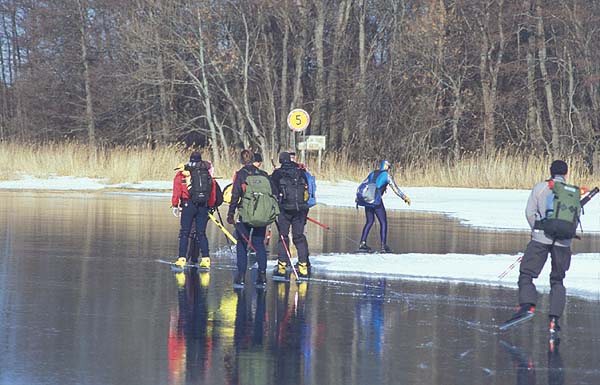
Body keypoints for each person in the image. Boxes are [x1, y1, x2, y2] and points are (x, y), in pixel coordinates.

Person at [504, 160, 583, 333]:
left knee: (526, 274)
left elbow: (529, 212)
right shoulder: (572, 193)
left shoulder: (540, 187)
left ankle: (527, 306)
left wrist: (537, 230)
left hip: (540, 239)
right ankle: (554, 320)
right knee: (558, 280)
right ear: (566, 173)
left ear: (550, 171)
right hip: (563, 242)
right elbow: (575, 219)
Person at [227, 149, 275, 287]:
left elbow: (235, 195)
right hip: (262, 215)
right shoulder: (264, 175)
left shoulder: (240, 175)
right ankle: (262, 276)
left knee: (242, 244)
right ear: (254, 159)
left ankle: (241, 276)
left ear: (241, 160)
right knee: (259, 244)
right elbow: (273, 193)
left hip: (246, 215)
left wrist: (230, 214)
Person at [271, 151, 311, 278]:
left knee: (283, 236)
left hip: (284, 210)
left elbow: (272, 190)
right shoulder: (301, 172)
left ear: (281, 161)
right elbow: (307, 191)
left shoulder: (278, 173)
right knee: (299, 237)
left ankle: (282, 267)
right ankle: (303, 267)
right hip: (300, 210)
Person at [358, 160, 411, 253]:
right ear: (386, 166)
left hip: (367, 199)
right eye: (388, 167)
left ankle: (362, 242)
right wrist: (404, 197)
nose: (389, 169)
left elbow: (363, 184)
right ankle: (383, 245)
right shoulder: (387, 176)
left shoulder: (373, 173)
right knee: (383, 222)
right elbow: (395, 188)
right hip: (376, 200)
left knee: (369, 221)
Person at [171, 151, 213, 269]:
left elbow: (177, 190)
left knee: (185, 232)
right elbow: (212, 191)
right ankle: (206, 259)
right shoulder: (206, 173)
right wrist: (209, 205)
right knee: (201, 233)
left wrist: (175, 205)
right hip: (203, 205)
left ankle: (182, 258)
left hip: (188, 204)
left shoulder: (182, 174)